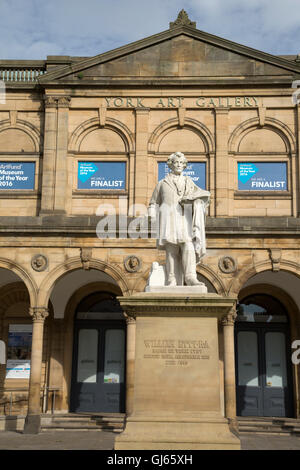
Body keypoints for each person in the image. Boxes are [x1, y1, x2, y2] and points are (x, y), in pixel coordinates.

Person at [148, 152, 210, 286]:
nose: (179, 165)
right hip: (168, 219)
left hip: (185, 218)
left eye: (182, 163)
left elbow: (203, 196)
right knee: (171, 249)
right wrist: (152, 216)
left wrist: (196, 201)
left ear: (185, 165)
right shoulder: (162, 183)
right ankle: (171, 279)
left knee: (188, 246)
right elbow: (153, 202)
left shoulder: (189, 181)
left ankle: (190, 277)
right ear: (170, 164)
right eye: (176, 162)